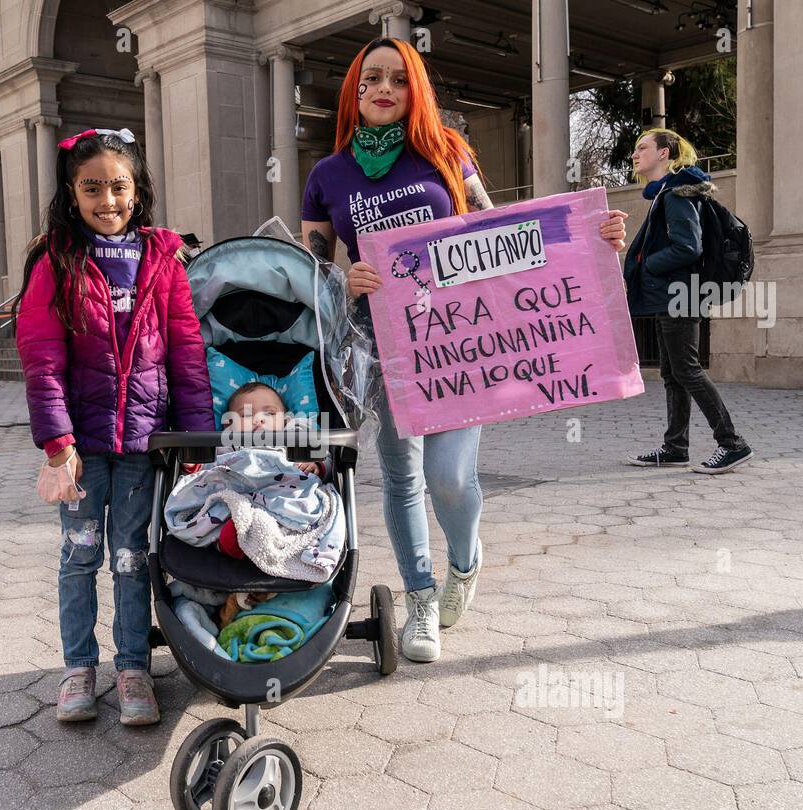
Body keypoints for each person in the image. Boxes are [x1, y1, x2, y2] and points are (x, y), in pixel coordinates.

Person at [300, 37, 628, 663]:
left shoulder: (447, 153)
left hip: (457, 338)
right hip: (381, 342)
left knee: (448, 478)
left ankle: (464, 560)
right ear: (354, 89)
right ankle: (420, 598)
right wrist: (345, 280)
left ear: (414, 87)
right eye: (371, 79)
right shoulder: (328, 175)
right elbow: (312, 268)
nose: (384, 90)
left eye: (398, 79)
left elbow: (503, 234)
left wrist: (592, 236)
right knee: (400, 478)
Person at [16, 127, 213, 725]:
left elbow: (185, 348)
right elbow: (41, 354)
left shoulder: (162, 258)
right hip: (79, 447)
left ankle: (133, 668)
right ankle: (79, 667)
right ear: (72, 193)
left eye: (118, 187)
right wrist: (57, 444)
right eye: (92, 187)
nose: (107, 200)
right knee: (80, 555)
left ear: (138, 190)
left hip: (142, 446)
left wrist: (199, 437)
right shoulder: (55, 258)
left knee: (131, 556)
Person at [623, 129, 753, 475]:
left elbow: (688, 247)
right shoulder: (666, 193)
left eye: (642, 148)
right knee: (672, 373)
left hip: (680, 295)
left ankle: (732, 444)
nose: (635, 155)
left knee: (687, 369)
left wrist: (646, 264)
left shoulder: (678, 194)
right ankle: (675, 447)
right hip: (673, 295)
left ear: (665, 153)